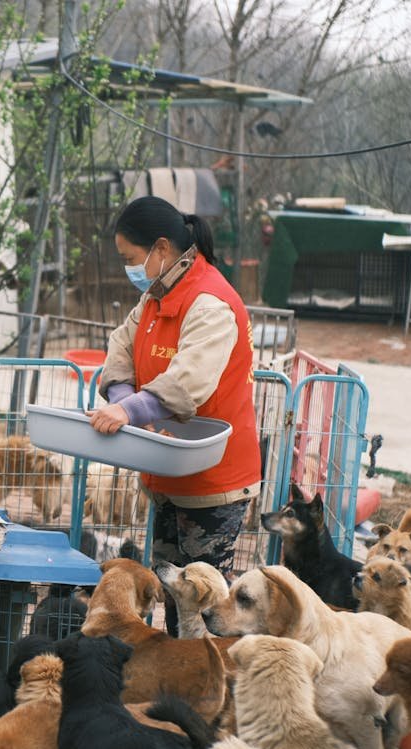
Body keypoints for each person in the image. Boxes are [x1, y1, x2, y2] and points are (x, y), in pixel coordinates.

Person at [89, 195, 261, 633]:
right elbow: (120, 348)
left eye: (131, 258)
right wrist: (125, 398)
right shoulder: (155, 297)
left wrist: (129, 410)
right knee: (172, 596)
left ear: (160, 249)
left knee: (204, 606)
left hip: (212, 481)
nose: (129, 268)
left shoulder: (210, 304)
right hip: (166, 472)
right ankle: (177, 683)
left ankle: (205, 688)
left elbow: (188, 382)